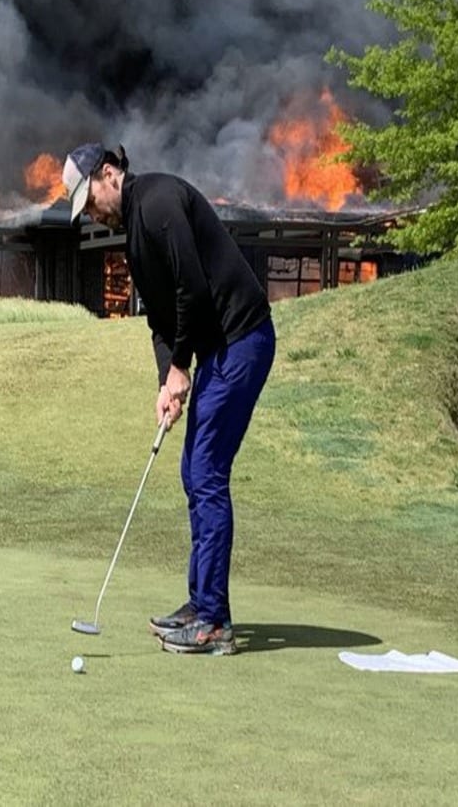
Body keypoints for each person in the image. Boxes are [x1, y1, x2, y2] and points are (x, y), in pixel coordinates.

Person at [61, 142, 276, 655]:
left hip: (242, 341)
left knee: (205, 474)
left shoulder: (156, 202)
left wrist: (183, 366)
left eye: (89, 200)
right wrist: (167, 379)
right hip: (220, 351)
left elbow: (192, 290)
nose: (90, 213)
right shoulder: (134, 233)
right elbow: (160, 318)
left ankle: (214, 621)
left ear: (108, 174)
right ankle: (201, 604)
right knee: (194, 472)